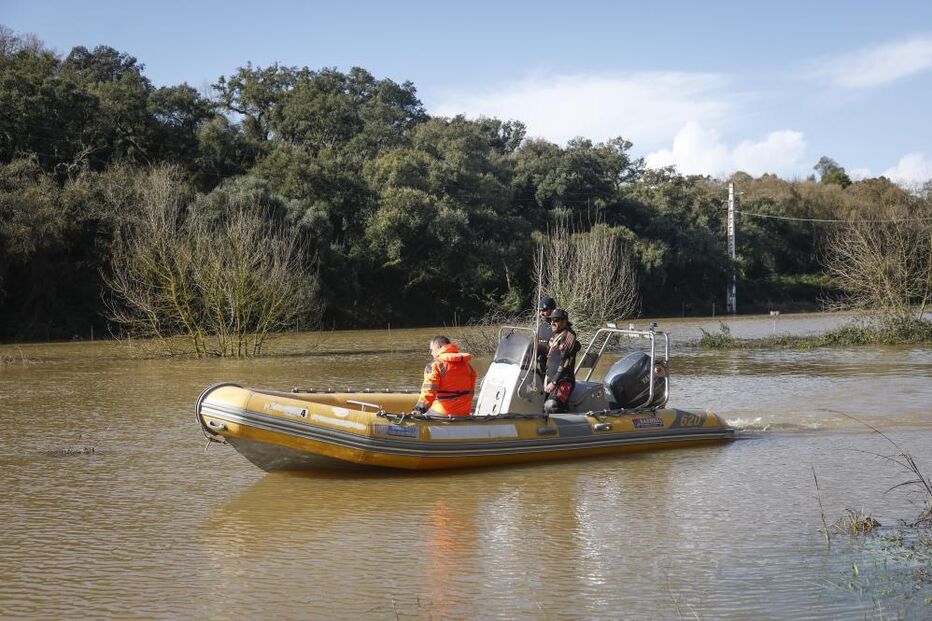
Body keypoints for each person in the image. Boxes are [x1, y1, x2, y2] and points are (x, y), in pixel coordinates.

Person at [412, 336, 477, 417]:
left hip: (443, 412)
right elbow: (471, 391)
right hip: (465, 411)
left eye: (431, 350)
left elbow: (429, 391)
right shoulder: (468, 366)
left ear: (438, 347)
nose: (431, 353)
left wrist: (419, 409)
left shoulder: (435, 365)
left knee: (424, 413)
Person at [543, 308, 580, 414]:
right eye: (551, 320)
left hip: (563, 381)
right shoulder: (556, 335)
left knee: (551, 406)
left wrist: (554, 382)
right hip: (550, 379)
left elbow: (565, 361)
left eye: (556, 320)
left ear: (564, 321)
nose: (552, 323)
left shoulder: (569, 336)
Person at [536, 295, 557, 373]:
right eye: (540, 310)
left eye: (544, 310)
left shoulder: (560, 328)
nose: (541, 313)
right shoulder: (540, 327)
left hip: (555, 370)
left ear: (553, 310)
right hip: (542, 370)